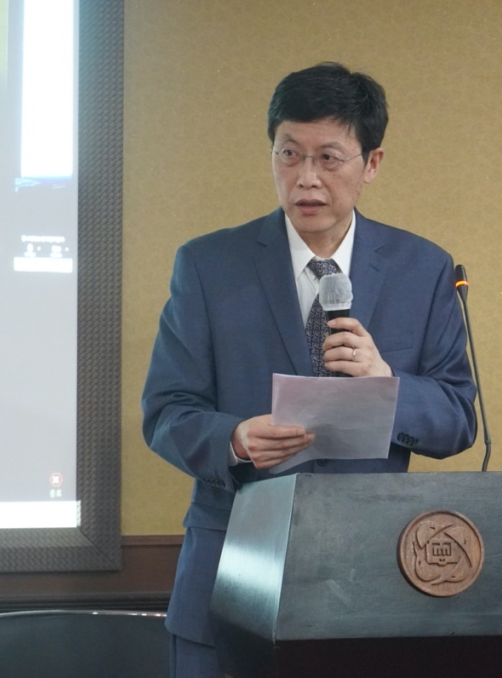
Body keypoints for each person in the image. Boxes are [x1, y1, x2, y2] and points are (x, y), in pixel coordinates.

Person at [141, 62, 477, 677]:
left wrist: (386, 385)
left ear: (371, 164)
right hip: (232, 573)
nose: (306, 178)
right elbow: (166, 412)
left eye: (329, 158)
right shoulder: (209, 265)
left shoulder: (424, 269)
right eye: (289, 154)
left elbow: (458, 418)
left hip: (374, 581)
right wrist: (234, 439)